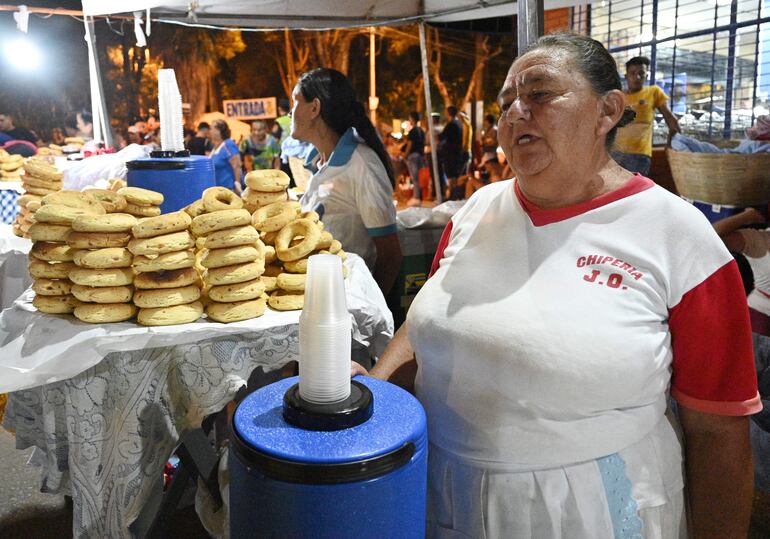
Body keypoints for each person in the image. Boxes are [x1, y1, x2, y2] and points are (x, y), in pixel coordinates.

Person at [353, 32, 759, 538]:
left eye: (540, 94)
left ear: (607, 111)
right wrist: (370, 391)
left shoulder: (679, 236)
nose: (516, 114)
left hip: (590, 510)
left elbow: (718, 428)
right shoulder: (477, 210)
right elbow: (426, 323)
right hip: (444, 492)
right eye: (505, 106)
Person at [292, 67, 402, 295]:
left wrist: (367, 311)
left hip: (348, 304)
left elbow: (390, 256)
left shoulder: (361, 164)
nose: (290, 112)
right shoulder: (318, 163)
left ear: (314, 108)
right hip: (319, 296)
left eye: (295, 103)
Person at [712, 207, 770, 494]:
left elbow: (710, 235)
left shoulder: (760, 240)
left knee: (757, 410)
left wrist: (746, 215)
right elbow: (708, 237)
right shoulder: (761, 240)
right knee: (759, 412)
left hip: (756, 332)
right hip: (758, 334)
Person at [612, 56, 680, 175]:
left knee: (634, 192)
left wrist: (670, 144)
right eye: (633, 73)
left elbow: (671, 120)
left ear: (646, 76)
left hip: (639, 155)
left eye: (641, 73)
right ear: (626, 76)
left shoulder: (654, 92)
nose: (637, 77)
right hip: (614, 153)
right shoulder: (619, 97)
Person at [208, 119, 242, 194]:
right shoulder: (215, 147)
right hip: (217, 189)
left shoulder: (228, 144)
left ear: (219, 131)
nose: (209, 131)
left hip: (228, 190)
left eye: (211, 128)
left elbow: (237, 166)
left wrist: (237, 184)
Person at [437, 106, 463, 200]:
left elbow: (441, 137)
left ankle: (452, 195)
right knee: (455, 174)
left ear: (448, 113)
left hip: (450, 153)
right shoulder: (460, 124)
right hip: (457, 152)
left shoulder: (451, 124)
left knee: (451, 175)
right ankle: (454, 193)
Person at [403, 111, 426, 206]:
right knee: (419, 177)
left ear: (412, 119)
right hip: (420, 155)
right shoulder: (421, 131)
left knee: (415, 177)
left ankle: (416, 197)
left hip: (413, 156)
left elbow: (410, 144)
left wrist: (405, 154)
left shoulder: (412, 131)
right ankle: (419, 196)